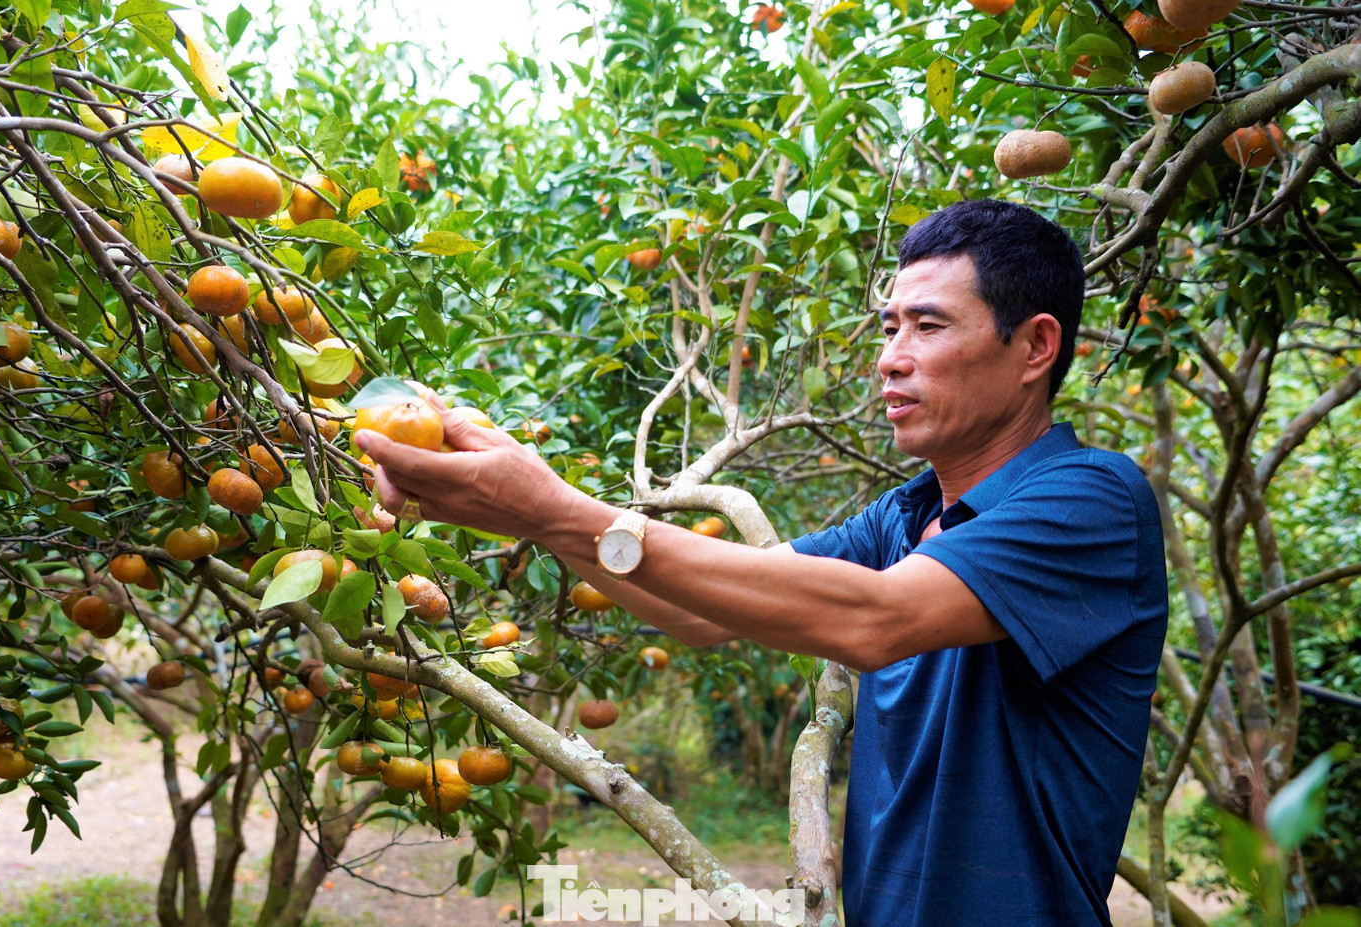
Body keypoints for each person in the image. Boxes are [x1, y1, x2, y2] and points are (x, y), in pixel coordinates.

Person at [356, 199, 1168, 926]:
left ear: (1035, 347)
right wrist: (536, 515)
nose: (889, 357)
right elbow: (697, 611)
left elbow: (874, 619)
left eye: (928, 325)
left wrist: (551, 507)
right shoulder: (906, 515)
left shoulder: (1091, 500)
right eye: (889, 328)